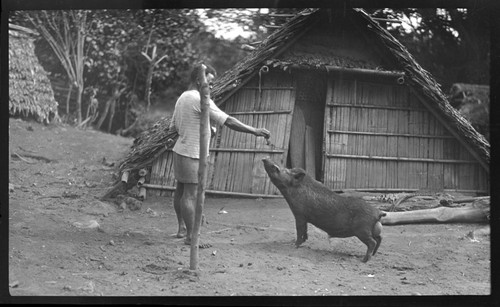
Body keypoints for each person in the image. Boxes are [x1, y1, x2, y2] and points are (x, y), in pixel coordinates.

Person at [168, 63, 271, 248]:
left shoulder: (182, 97)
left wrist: (206, 131)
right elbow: (228, 120)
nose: (211, 87)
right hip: (192, 154)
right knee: (189, 196)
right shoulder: (200, 98)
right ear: (200, 80)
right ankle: (191, 237)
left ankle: (182, 229)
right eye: (209, 82)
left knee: (181, 192)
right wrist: (254, 130)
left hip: (180, 150)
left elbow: (175, 127)